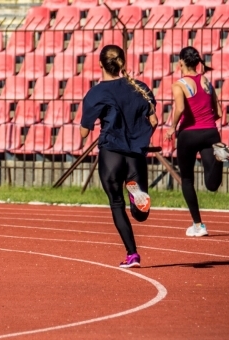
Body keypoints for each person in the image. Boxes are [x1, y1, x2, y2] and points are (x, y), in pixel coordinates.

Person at [81, 45, 159, 269]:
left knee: (116, 204)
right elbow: (154, 121)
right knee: (140, 216)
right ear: (123, 63)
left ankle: (132, 254)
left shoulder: (96, 93)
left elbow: (84, 131)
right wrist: (140, 137)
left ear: (100, 64)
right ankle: (136, 196)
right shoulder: (140, 87)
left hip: (111, 152)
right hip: (136, 154)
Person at [166, 46, 229, 237]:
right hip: (210, 133)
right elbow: (220, 112)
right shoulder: (206, 81)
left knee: (187, 179)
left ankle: (198, 225)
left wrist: (173, 127)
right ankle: (219, 158)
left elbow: (180, 108)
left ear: (181, 62)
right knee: (211, 184)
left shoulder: (179, 84)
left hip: (189, 135)